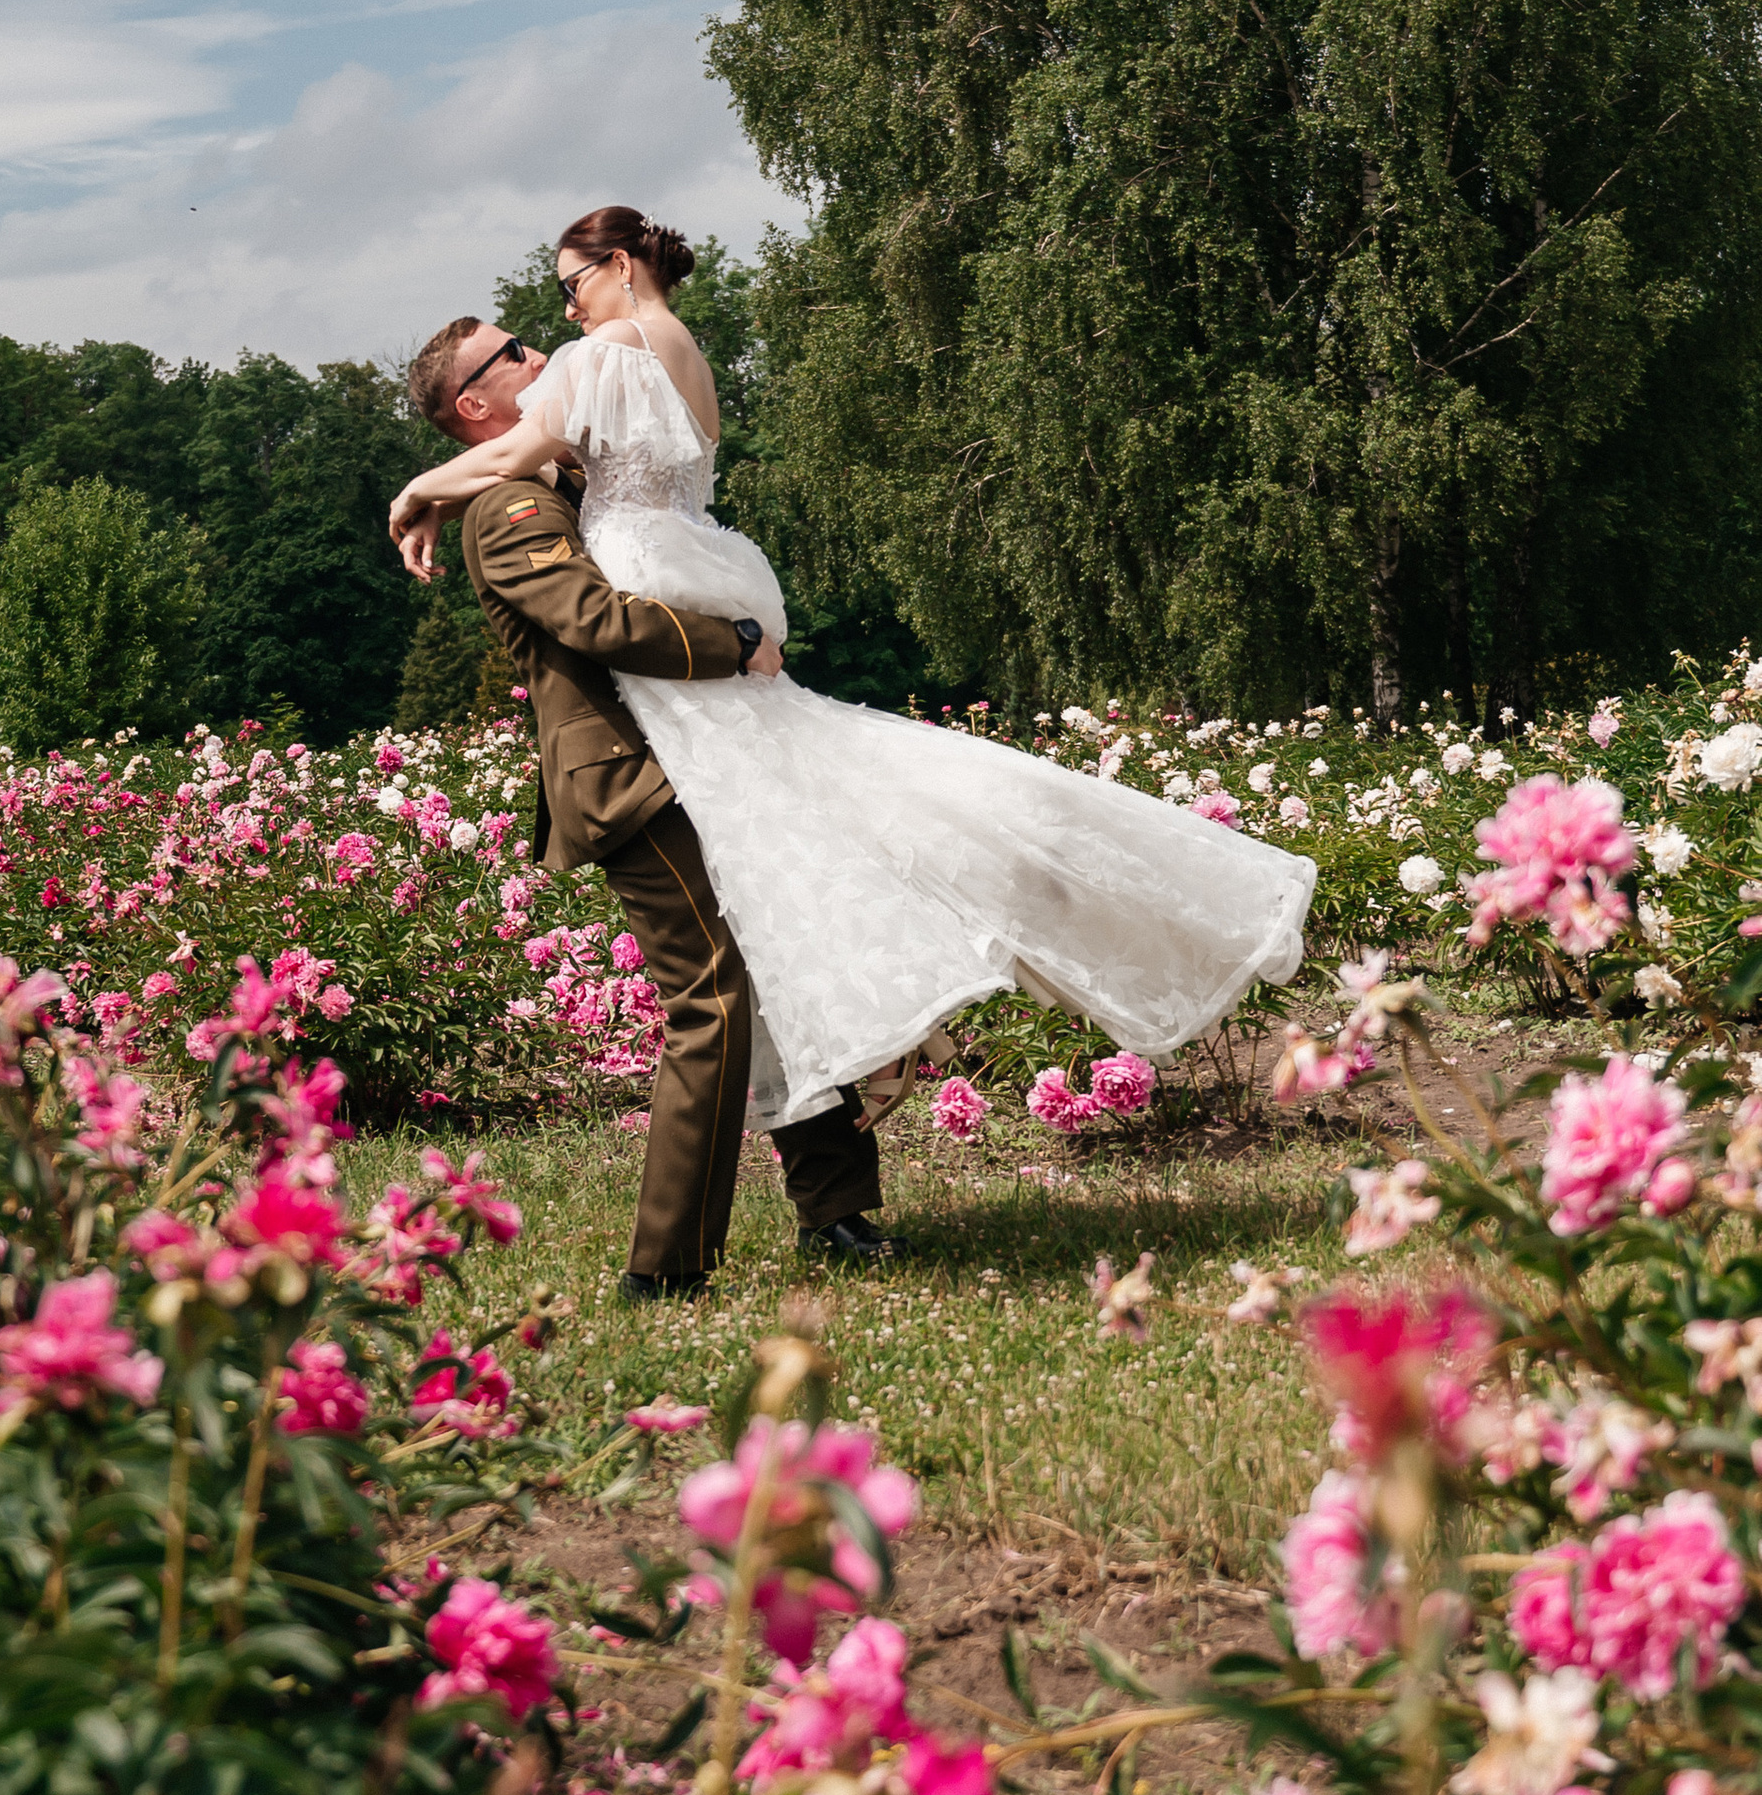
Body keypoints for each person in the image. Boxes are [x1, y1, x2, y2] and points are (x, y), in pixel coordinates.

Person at [395, 204, 1314, 1158]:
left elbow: (518, 469)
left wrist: (416, 488)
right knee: (818, 837)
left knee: (775, 893)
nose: (556, 325)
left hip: (672, 617)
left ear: (619, 265)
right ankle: (864, 1071)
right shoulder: (678, 353)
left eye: (567, 287)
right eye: (524, 336)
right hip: (697, 575)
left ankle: (851, 1047)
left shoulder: (600, 358)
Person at [401, 307, 904, 1299]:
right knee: (711, 999)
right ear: (477, 403)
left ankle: (837, 1214)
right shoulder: (506, 510)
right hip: (631, 778)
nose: (539, 354)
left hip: (692, 756)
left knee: (774, 965)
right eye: (513, 354)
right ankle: (664, 1270)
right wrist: (737, 637)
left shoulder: (567, 481)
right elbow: (593, 622)